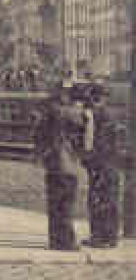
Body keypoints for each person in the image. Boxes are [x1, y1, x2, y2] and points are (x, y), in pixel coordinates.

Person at [35, 81, 88, 251]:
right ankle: (66, 241)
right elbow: (81, 126)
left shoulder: (48, 111)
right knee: (66, 203)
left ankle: (56, 239)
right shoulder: (67, 112)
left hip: (53, 164)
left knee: (55, 204)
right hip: (66, 164)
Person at [82, 85, 122, 248]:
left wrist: (89, 160)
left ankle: (98, 237)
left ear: (94, 98)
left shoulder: (95, 115)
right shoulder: (112, 115)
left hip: (101, 164)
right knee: (110, 200)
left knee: (97, 200)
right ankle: (111, 237)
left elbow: (92, 142)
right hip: (112, 163)